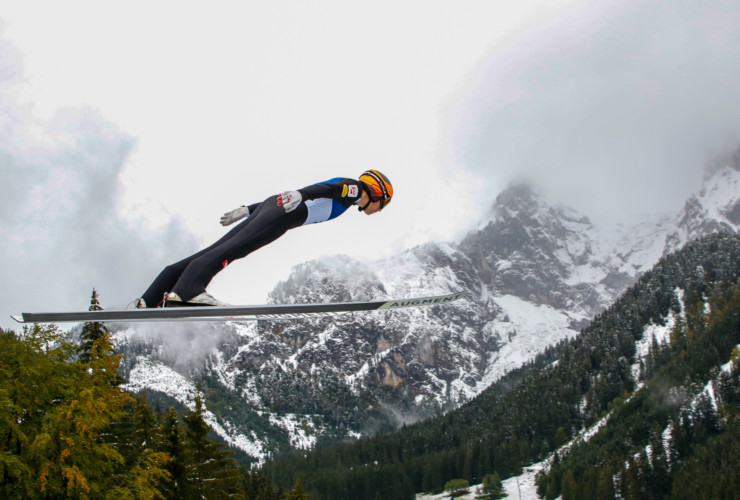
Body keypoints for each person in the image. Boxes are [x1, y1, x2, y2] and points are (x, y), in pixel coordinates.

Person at [135, 170, 393, 308]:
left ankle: (153, 297)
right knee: (233, 249)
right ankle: (186, 291)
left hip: (276, 207)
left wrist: (249, 209)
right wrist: (300, 195)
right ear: (377, 191)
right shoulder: (355, 190)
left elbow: (300, 196)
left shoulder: (351, 197)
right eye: (384, 203)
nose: (379, 210)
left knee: (219, 248)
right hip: (285, 212)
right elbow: (328, 190)